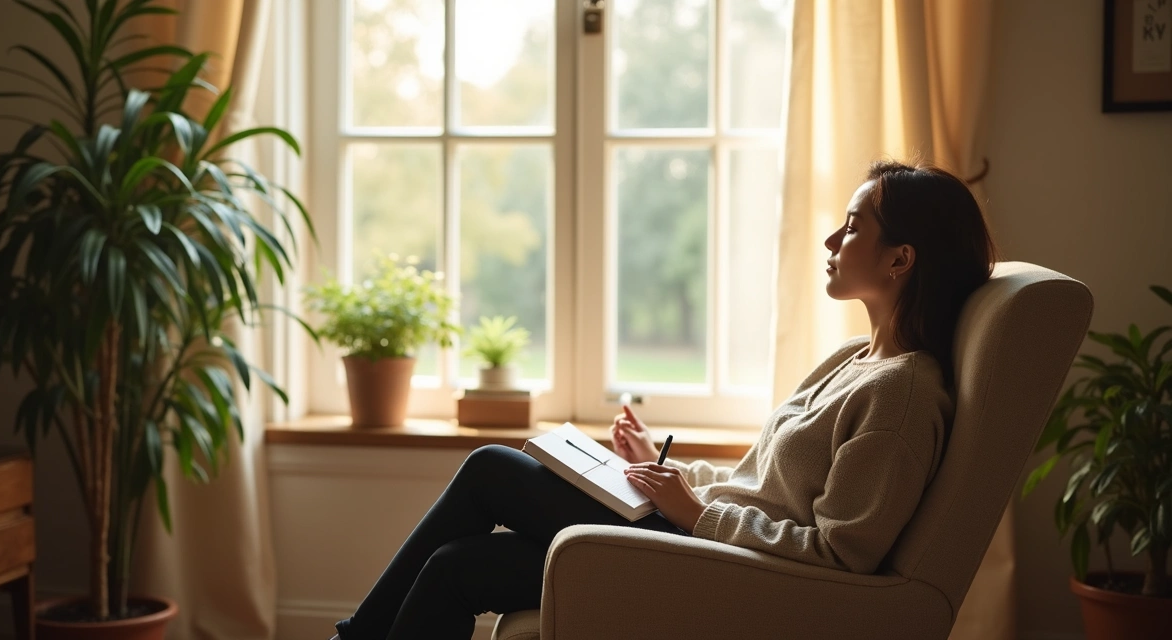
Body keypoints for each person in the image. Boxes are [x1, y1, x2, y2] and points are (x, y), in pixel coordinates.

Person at [331, 159, 998, 640]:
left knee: (489, 469)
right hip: (700, 536)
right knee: (457, 569)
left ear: (900, 260)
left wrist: (695, 512)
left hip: (723, 566)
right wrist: (661, 471)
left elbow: (842, 554)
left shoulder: (903, 395)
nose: (831, 242)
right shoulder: (854, 359)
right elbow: (761, 483)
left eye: (851, 228)